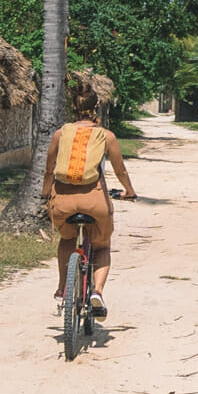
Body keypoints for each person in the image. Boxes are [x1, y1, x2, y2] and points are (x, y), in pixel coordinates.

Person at [43, 81, 136, 318]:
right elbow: (120, 169)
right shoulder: (106, 136)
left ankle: (64, 287)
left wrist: (46, 194)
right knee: (102, 245)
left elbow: (49, 168)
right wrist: (129, 192)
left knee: (67, 239)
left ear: (73, 108)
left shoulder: (60, 134)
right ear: (96, 108)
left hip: (62, 200)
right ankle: (97, 291)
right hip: (95, 201)